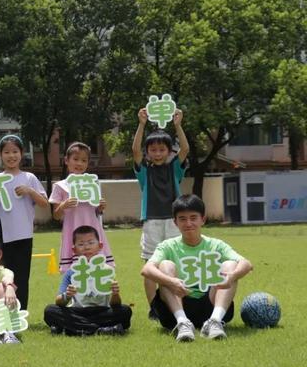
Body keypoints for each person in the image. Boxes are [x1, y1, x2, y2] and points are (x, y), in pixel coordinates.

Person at [141, 194, 253, 341]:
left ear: (203, 220)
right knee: (165, 265)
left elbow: (246, 264)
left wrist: (231, 277)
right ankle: (182, 323)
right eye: (182, 219)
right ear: (175, 222)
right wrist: (171, 282)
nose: (188, 223)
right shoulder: (167, 246)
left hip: (209, 305)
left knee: (231, 265)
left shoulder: (216, 245)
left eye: (193, 218)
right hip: (177, 306)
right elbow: (147, 269)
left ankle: (215, 322)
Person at [132, 107, 189, 317]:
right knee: (150, 266)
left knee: (174, 264)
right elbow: (135, 152)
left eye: (161, 150)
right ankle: (153, 308)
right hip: (152, 222)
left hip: (174, 222)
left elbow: (184, 149)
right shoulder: (144, 172)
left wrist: (178, 125)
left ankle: (176, 303)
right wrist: (141, 124)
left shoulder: (174, 167)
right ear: (148, 152)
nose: (157, 153)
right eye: (153, 150)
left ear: (168, 151)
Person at [0, 134, 48, 310]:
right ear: (0, 155)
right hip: (2, 233)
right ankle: (2, 310)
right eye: (7, 152)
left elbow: (44, 203)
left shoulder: (29, 178)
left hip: (23, 233)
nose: (11, 156)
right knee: (1, 274)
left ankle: (20, 311)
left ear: (22, 153)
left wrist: (30, 192)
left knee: (22, 276)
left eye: (15, 151)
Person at [44, 226, 131, 336]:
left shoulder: (107, 270)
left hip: (102, 311)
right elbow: (59, 302)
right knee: (50, 311)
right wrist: (68, 295)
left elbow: (115, 304)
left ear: (100, 246)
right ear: (74, 249)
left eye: (91, 243)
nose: (86, 247)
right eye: (81, 244)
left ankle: (72, 329)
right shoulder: (71, 272)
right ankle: (101, 330)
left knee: (125, 310)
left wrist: (115, 294)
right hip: (78, 311)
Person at [50, 142, 114, 273]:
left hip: (93, 228)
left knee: (98, 269)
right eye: (75, 159)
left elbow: (97, 211)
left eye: (84, 160)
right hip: (72, 229)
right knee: (75, 271)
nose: (79, 163)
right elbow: (56, 215)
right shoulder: (60, 186)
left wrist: (101, 207)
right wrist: (63, 205)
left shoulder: (93, 184)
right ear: (66, 161)